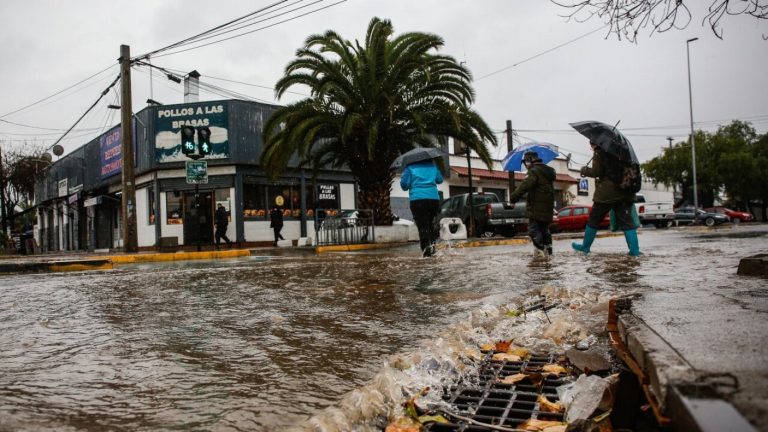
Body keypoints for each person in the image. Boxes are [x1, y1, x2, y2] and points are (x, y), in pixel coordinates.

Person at [572, 141, 640, 256]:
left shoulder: (600, 152)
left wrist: (584, 170)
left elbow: (597, 172)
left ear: (595, 143)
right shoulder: (623, 153)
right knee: (627, 222)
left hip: (607, 194)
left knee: (594, 220)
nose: (591, 147)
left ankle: (585, 247)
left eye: (591, 145)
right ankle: (635, 251)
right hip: (625, 192)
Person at [508, 151, 556, 255]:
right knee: (544, 229)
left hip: (536, 206)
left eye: (525, 162)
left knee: (533, 229)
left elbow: (524, 186)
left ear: (529, 160)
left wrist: (513, 198)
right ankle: (548, 251)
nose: (525, 165)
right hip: (548, 206)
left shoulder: (533, 171)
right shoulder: (547, 171)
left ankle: (540, 252)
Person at [400, 158, 443, 257]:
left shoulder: (410, 167)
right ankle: (433, 250)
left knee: (423, 227)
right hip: (433, 199)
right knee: (430, 225)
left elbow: (404, 186)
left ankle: (426, 255)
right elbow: (440, 180)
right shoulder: (433, 166)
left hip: (418, 200)